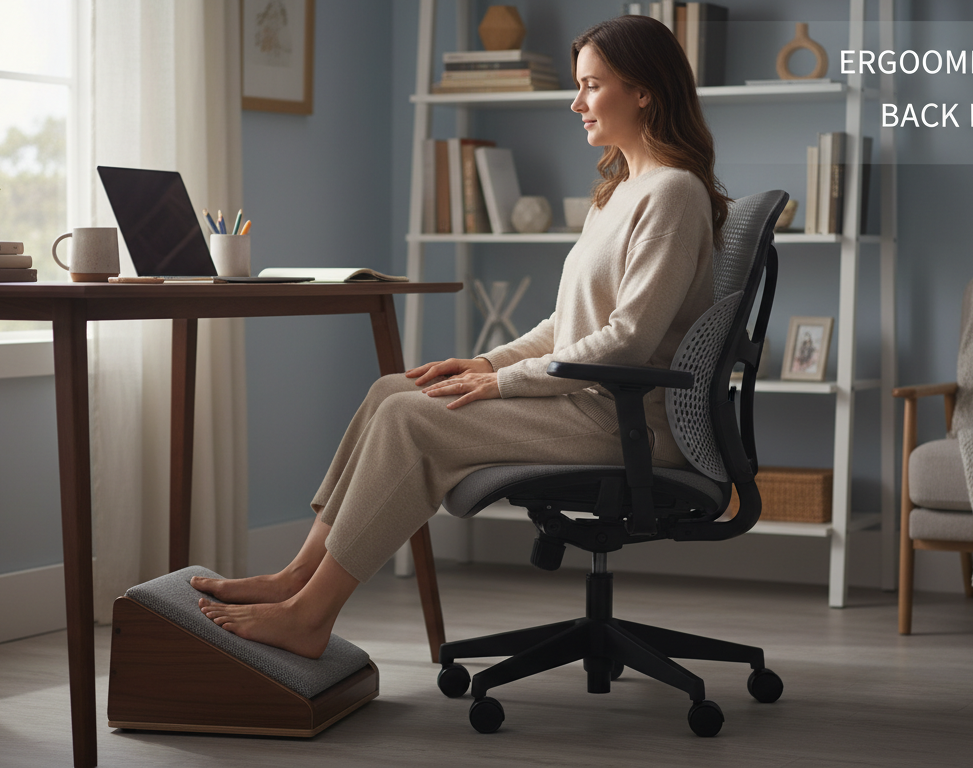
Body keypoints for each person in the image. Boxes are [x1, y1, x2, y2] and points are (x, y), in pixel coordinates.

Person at [193, 14, 733, 659]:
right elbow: (567, 326)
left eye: (591, 86)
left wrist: (501, 382)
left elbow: (627, 342)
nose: (576, 101)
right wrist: (481, 360)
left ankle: (311, 616)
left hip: (626, 421)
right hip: (584, 402)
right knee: (393, 389)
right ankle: (294, 576)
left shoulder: (672, 194)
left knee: (413, 422)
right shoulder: (617, 193)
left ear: (643, 91)